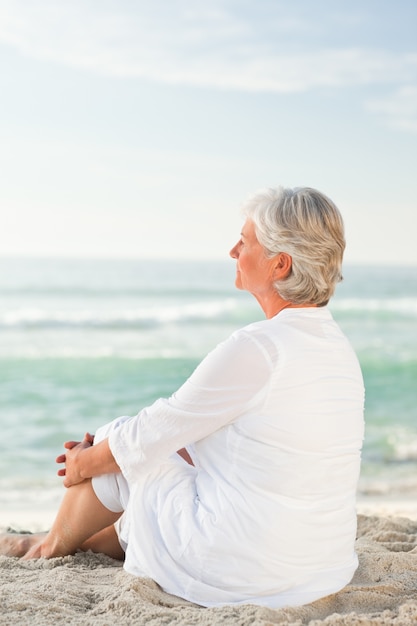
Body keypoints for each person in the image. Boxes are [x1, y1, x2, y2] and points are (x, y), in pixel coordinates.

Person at [1, 186, 365, 609]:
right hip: (319, 566)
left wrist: (84, 461)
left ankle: (47, 548)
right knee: (156, 455)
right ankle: (81, 539)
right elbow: (247, 448)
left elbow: (150, 433)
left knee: (118, 438)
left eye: (244, 242)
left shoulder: (259, 346)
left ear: (279, 265)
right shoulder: (337, 347)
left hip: (247, 570)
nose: (233, 250)